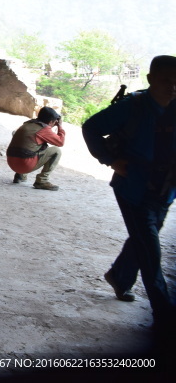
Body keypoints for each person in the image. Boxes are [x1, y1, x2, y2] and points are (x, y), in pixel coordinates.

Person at [83, 55, 176, 331]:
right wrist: (108, 160)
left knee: (144, 239)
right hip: (133, 189)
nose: (173, 87)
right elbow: (92, 127)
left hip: (164, 191)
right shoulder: (133, 107)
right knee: (150, 250)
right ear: (150, 80)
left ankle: (120, 277)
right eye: (166, 81)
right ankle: (165, 317)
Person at [6, 106, 64, 190]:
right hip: (24, 164)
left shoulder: (27, 124)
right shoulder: (44, 129)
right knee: (56, 151)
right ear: (51, 121)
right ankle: (42, 181)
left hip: (11, 161)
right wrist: (60, 127)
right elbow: (60, 142)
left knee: (34, 146)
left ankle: (20, 175)